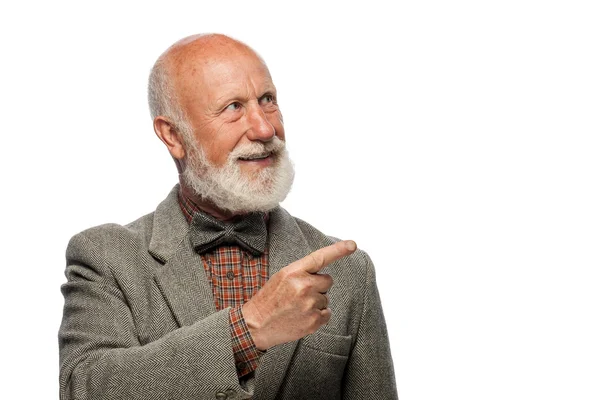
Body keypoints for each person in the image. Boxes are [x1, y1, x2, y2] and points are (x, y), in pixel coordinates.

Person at [58, 33, 397, 400]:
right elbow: (85, 388)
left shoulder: (350, 272)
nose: (265, 129)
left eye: (267, 100)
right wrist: (246, 332)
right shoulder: (106, 257)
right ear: (173, 135)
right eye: (233, 107)